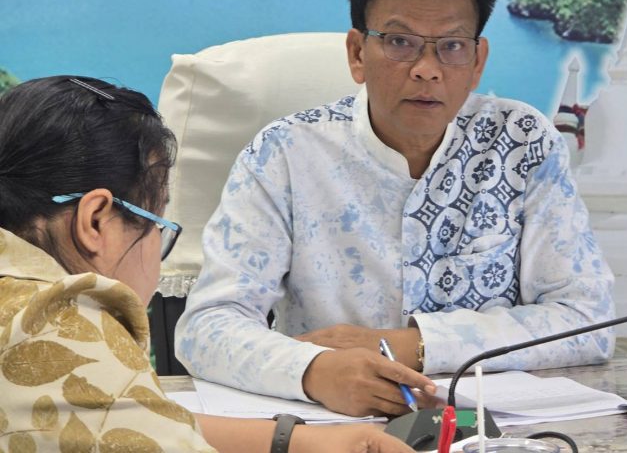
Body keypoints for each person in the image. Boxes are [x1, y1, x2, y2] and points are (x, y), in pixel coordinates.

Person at [176, 0, 616, 417]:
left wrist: (414, 345)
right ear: (357, 54)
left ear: (477, 62)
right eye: (400, 42)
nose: (427, 70)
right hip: (333, 424)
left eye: (451, 46)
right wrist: (314, 370)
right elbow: (206, 328)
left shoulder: (522, 141)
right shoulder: (284, 153)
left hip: (493, 427)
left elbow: (587, 320)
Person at [0, 76, 415, 452]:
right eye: (157, 222)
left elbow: (126, 418)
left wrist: (297, 441)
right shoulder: (60, 327)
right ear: (96, 222)